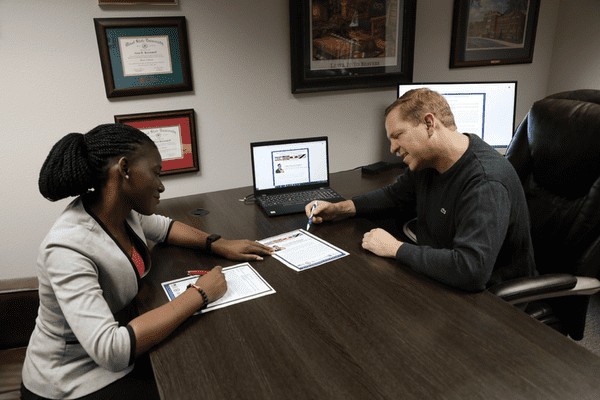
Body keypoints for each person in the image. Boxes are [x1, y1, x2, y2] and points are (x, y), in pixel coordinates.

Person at [22, 124, 274, 399]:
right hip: (72, 377)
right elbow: (112, 350)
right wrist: (200, 293)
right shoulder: (67, 248)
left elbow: (165, 227)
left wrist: (219, 244)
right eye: (155, 172)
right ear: (125, 169)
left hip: (122, 337)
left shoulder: (121, 211)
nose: (162, 185)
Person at [305, 88, 536, 292]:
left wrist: (395, 249)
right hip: (438, 278)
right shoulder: (428, 162)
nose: (393, 148)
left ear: (429, 123)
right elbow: (395, 196)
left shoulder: (485, 181)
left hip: (492, 303)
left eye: (397, 136)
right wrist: (339, 209)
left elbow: (471, 270)